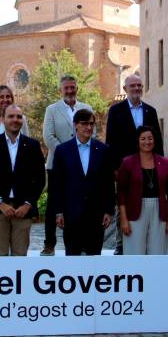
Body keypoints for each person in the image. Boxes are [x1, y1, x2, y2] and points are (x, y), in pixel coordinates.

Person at [106, 74, 165, 255]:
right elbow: (111, 141)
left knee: (147, 203)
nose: (137, 89)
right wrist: (115, 167)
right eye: (133, 86)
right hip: (125, 166)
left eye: (139, 85)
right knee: (122, 203)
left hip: (148, 167)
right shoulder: (116, 111)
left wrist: (160, 166)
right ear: (125, 89)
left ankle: (146, 241)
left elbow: (158, 141)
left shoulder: (150, 111)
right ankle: (120, 242)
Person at [0, 104, 45, 256]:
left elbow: (40, 179)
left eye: (19, 117)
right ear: (3, 119)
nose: (15, 120)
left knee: (20, 256)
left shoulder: (33, 145)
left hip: (23, 210)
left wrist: (28, 204)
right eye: (11, 116)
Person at [41, 76, 93, 256]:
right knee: (54, 203)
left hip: (83, 165)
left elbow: (90, 133)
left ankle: (83, 241)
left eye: (72, 87)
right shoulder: (52, 110)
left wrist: (79, 154)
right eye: (66, 88)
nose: (70, 91)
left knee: (81, 202)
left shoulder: (86, 108)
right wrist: (67, 154)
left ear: (77, 88)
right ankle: (49, 243)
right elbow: (48, 136)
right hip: (57, 164)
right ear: (61, 90)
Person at [52, 109, 115, 256]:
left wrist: (109, 210)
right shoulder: (62, 150)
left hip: (96, 215)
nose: (89, 127)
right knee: (72, 258)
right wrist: (58, 212)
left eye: (91, 124)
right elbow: (57, 184)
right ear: (75, 125)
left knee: (94, 259)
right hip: (71, 215)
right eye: (84, 123)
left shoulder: (103, 150)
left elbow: (108, 183)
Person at [117, 126, 168, 255]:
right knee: (134, 252)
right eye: (143, 139)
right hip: (134, 210)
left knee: (158, 252)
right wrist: (124, 219)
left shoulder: (164, 162)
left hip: (159, 210)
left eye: (150, 138)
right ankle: (135, 275)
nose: (147, 142)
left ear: (154, 141)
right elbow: (121, 193)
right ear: (137, 142)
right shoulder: (128, 162)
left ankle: (156, 275)